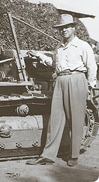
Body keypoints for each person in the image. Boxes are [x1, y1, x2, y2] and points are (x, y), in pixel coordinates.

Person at [26, 14, 97, 167]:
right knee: (55, 119)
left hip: (76, 79)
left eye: (66, 27)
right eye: (60, 28)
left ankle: (74, 155)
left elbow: (91, 66)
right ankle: (48, 155)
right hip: (60, 80)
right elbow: (55, 64)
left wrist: (89, 86)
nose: (63, 30)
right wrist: (39, 55)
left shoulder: (83, 45)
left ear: (73, 28)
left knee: (76, 119)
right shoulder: (59, 47)